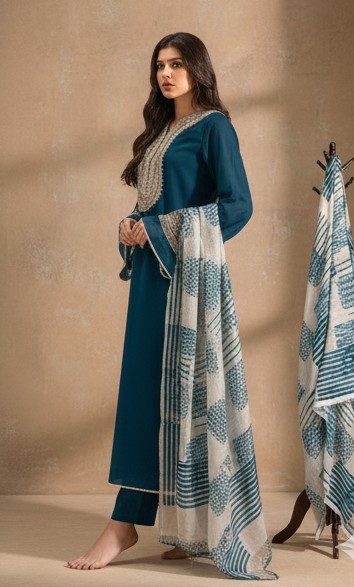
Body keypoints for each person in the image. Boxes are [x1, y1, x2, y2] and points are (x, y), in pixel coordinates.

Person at [66, 32, 253, 571]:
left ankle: (123, 525)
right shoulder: (161, 132)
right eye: (159, 66)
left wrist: (158, 229)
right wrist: (132, 224)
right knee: (150, 394)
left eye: (176, 64)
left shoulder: (215, 128)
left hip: (187, 280)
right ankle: (187, 527)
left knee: (174, 394)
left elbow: (238, 206)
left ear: (198, 69)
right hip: (153, 276)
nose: (166, 74)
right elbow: (155, 204)